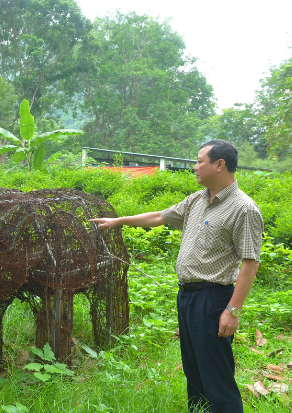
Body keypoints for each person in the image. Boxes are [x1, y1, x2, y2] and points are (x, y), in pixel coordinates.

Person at [90, 140, 263, 413]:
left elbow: (250, 263)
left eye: (199, 161)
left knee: (216, 377)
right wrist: (118, 221)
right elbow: (159, 216)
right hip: (188, 297)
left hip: (214, 299)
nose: (194, 167)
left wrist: (233, 310)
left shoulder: (244, 208)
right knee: (194, 372)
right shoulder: (197, 199)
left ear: (219, 165)